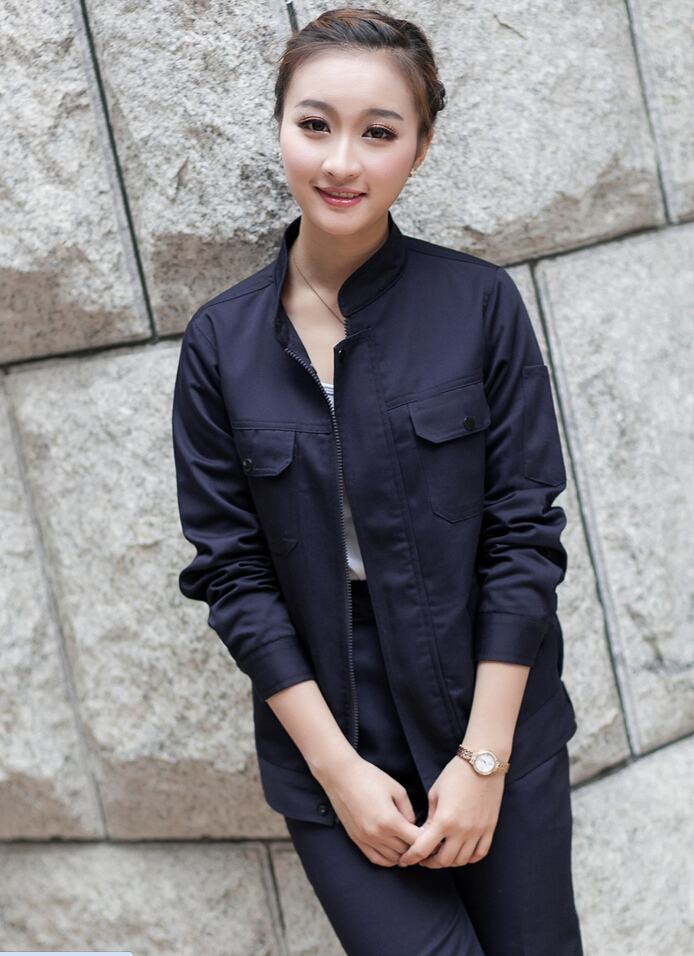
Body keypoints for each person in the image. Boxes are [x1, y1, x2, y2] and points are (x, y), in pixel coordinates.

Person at [173, 8, 583, 955]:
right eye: (314, 124)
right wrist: (338, 772)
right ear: (280, 125)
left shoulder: (479, 305)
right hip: (330, 728)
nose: (341, 162)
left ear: (421, 148)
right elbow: (232, 573)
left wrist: (484, 759)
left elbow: (524, 535)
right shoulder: (220, 345)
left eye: (379, 132)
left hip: (491, 703)